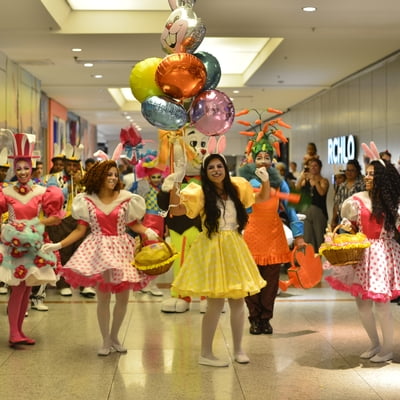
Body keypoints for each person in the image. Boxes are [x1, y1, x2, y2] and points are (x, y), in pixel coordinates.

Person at [41, 160, 159, 356]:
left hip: (122, 249)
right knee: (103, 298)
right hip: (98, 250)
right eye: (109, 174)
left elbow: (134, 224)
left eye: (115, 174)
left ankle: (114, 336)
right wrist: (59, 245)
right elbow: (80, 230)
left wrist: (148, 231)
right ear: (99, 176)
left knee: (123, 298)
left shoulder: (126, 198)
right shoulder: (86, 200)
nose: (113, 178)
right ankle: (105, 339)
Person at [169, 153, 270, 366]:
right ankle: (205, 353)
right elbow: (176, 210)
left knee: (238, 302)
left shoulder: (237, 189)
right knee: (215, 303)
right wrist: (176, 183)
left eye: (219, 166)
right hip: (212, 247)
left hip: (234, 246)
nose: (216, 170)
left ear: (225, 168)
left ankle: (238, 350)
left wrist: (265, 181)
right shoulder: (201, 193)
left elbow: (262, 198)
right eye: (211, 168)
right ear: (206, 173)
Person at [325, 146, 400, 363]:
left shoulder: (392, 203)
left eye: (371, 174)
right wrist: (346, 229)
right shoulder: (357, 199)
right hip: (362, 255)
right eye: (366, 173)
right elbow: (352, 225)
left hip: (383, 256)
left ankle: (387, 349)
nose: (366, 177)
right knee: (362, 304)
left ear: (381, 179)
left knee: (382, 305)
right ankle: (375, 343)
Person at [0, 132, 63, 346]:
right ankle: (13, 333)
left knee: (27, 287)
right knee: (18, 287)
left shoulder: (43, 191)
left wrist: (37, 225)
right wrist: (7, 228)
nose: (23, 172)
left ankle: (19, 331)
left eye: (26, 168)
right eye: (18, 169)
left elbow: (55, 218)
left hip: (34, 244)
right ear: (13, 170)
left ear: (33, 168)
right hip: (15, 246)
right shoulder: (6, 191)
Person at [239, 140, 305, 336]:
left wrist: (299, 235)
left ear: (273, 161)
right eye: (259, 158)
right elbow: (241, 208)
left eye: (267, 158)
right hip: (251, 234)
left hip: (274, 235)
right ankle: (254, 318)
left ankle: (265, 319)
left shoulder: (281, 183)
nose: (263, 161)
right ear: (252, 160)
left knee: (271, 282)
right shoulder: (244, 183)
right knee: (251, 280)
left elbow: (291, 210)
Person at [46, 147, 95, 298]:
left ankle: (85, 284)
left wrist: (83, 183)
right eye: (69, 164)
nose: (72, 168)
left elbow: (95, 194)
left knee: (85, 252)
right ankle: (63, 284)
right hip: (61, 219)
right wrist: (69, 187)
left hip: (83, 220)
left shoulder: (87, 177)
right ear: (64, 163)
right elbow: (52, 197)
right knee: (63, 252)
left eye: (75, 165)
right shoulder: (53, 178)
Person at [135, 154, 168, 297]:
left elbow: (163, 210)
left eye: (158, 176)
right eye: (153, 177)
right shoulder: (145, 189)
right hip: (148, 222)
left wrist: (165, 225)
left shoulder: (162, 190)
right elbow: (139, 205)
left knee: (158, 252)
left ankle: (150, 283)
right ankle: (148, 283)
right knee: (150, 253)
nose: (156, 179)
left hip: (160, 222)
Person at [295, 157, 329, 252]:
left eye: (315, 166)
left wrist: (315, 182)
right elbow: (296, 190)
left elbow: (322, 192)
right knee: (307, 236)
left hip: (318, 211)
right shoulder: (304, 180)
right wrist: (302, 177)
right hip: (305, 210)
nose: (313, 168)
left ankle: (320, 259)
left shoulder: (323, 180)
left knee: (319, 236)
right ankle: (309, 258)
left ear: (320, 167)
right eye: (311, 166)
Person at [331, 159, 365, 229]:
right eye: (347, 170)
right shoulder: (342, 186)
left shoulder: (362, 185)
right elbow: (337, 204)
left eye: (352, 170)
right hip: (343, 220)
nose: (349, 173)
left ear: (357, 171)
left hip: (357, 221)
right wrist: (334, 219)